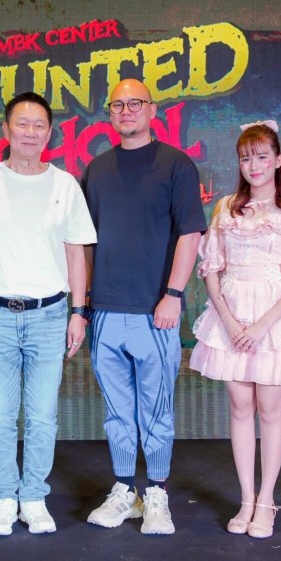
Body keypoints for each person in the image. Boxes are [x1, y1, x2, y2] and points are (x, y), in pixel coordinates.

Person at [0, 92, 96, 536]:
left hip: (49, 316)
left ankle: (33, 496)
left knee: (42, 415)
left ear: (49, 134)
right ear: (6, 130)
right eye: (22, 124)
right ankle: (2, 498)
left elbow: (76, 253)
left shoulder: (65, 185)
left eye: (39, 125)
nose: (30, 132)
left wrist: (78, 312)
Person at [80, 78, 207, 535]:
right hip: (105, 311)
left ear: (153, 110)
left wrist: (173, 295)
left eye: (136, 103)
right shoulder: (96, 170)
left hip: (156, 312)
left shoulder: (176, 165)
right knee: (117, 412)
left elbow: (190, 234)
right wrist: (85, 303)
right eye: (118, 104)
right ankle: (124, 492)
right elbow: (84, 243)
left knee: (155, 410)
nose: (127, 110)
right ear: (110, 113)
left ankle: (157, 493)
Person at [188, 121, 281, 539]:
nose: (254, 165)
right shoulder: (226, 206)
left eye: (262, 156)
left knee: (270, 409)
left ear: (278, 159)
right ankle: (246, 499)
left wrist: (263, 325)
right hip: (231, 314)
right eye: (246, 158)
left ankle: (266, 501)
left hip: (273, 318)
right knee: (240, 407)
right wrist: (229, 321)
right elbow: (212, 269)